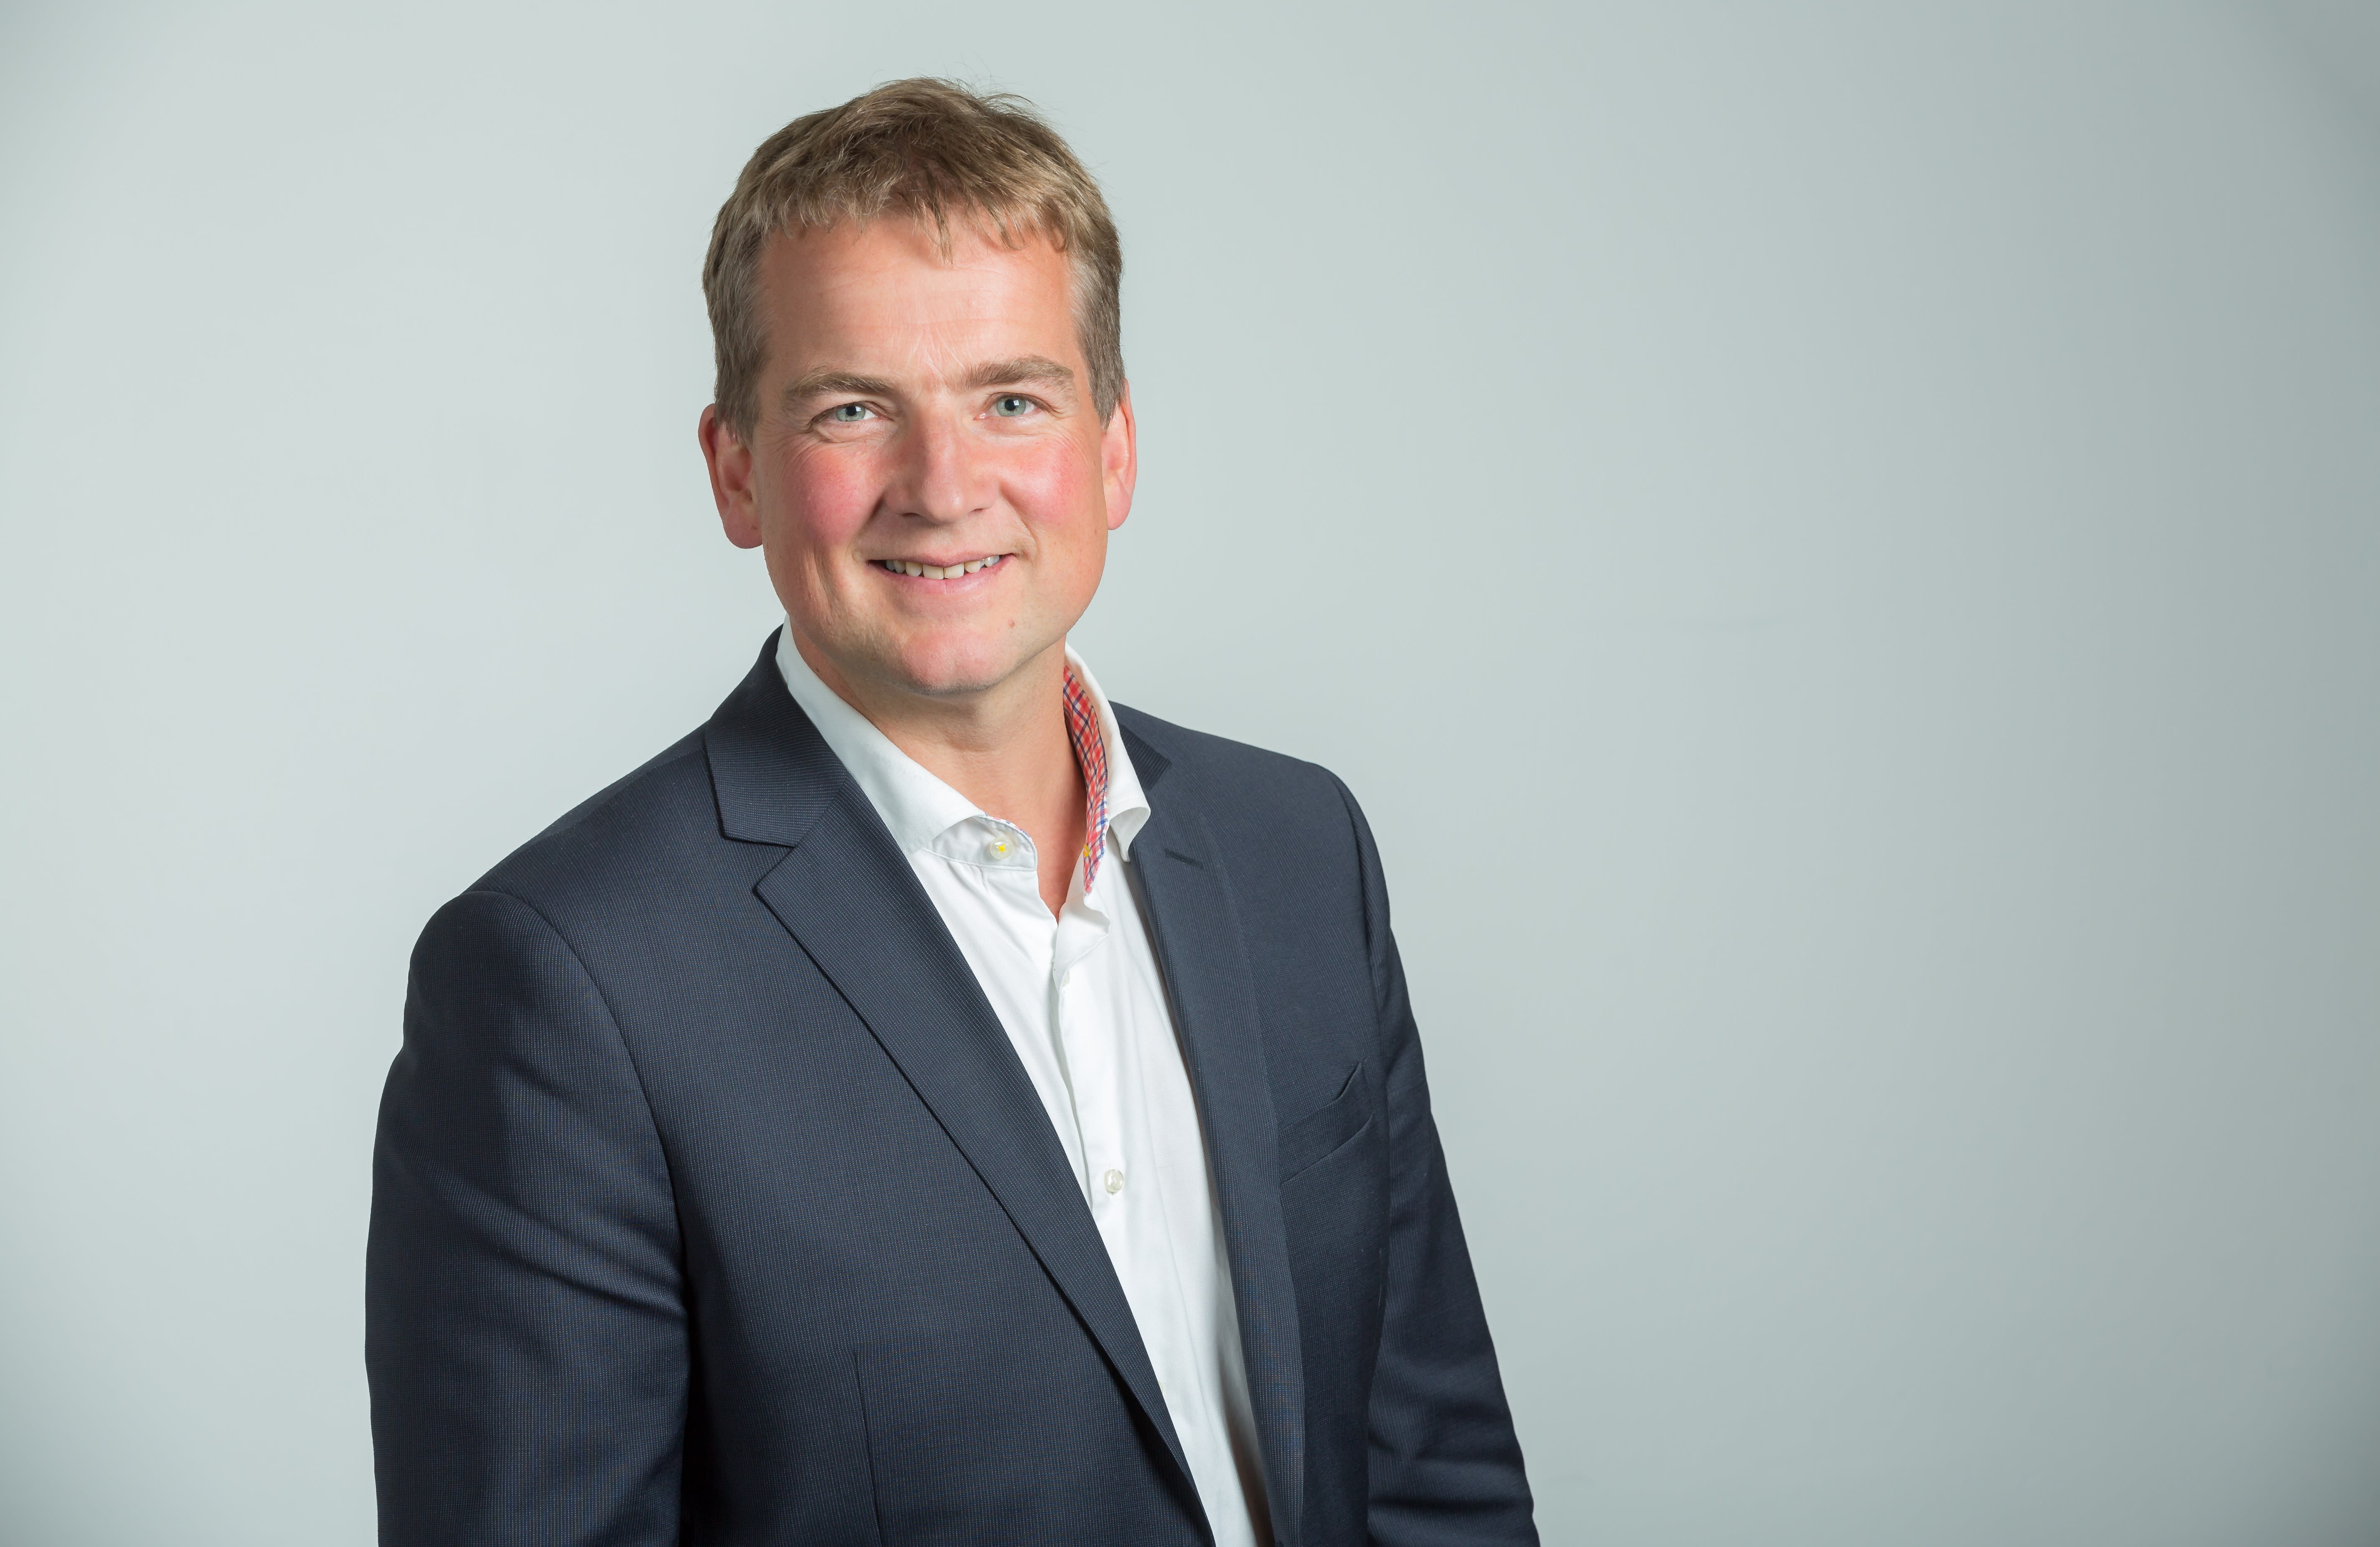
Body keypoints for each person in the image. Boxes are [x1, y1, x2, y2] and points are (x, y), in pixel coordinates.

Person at [366, 77, 1535, 1547]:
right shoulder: (563, 987)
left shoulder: (1300, 851)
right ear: (736, 471)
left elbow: (1434, 1474)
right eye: (853, 411)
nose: (942, 486)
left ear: (1113, 449)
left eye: (1011, 401)